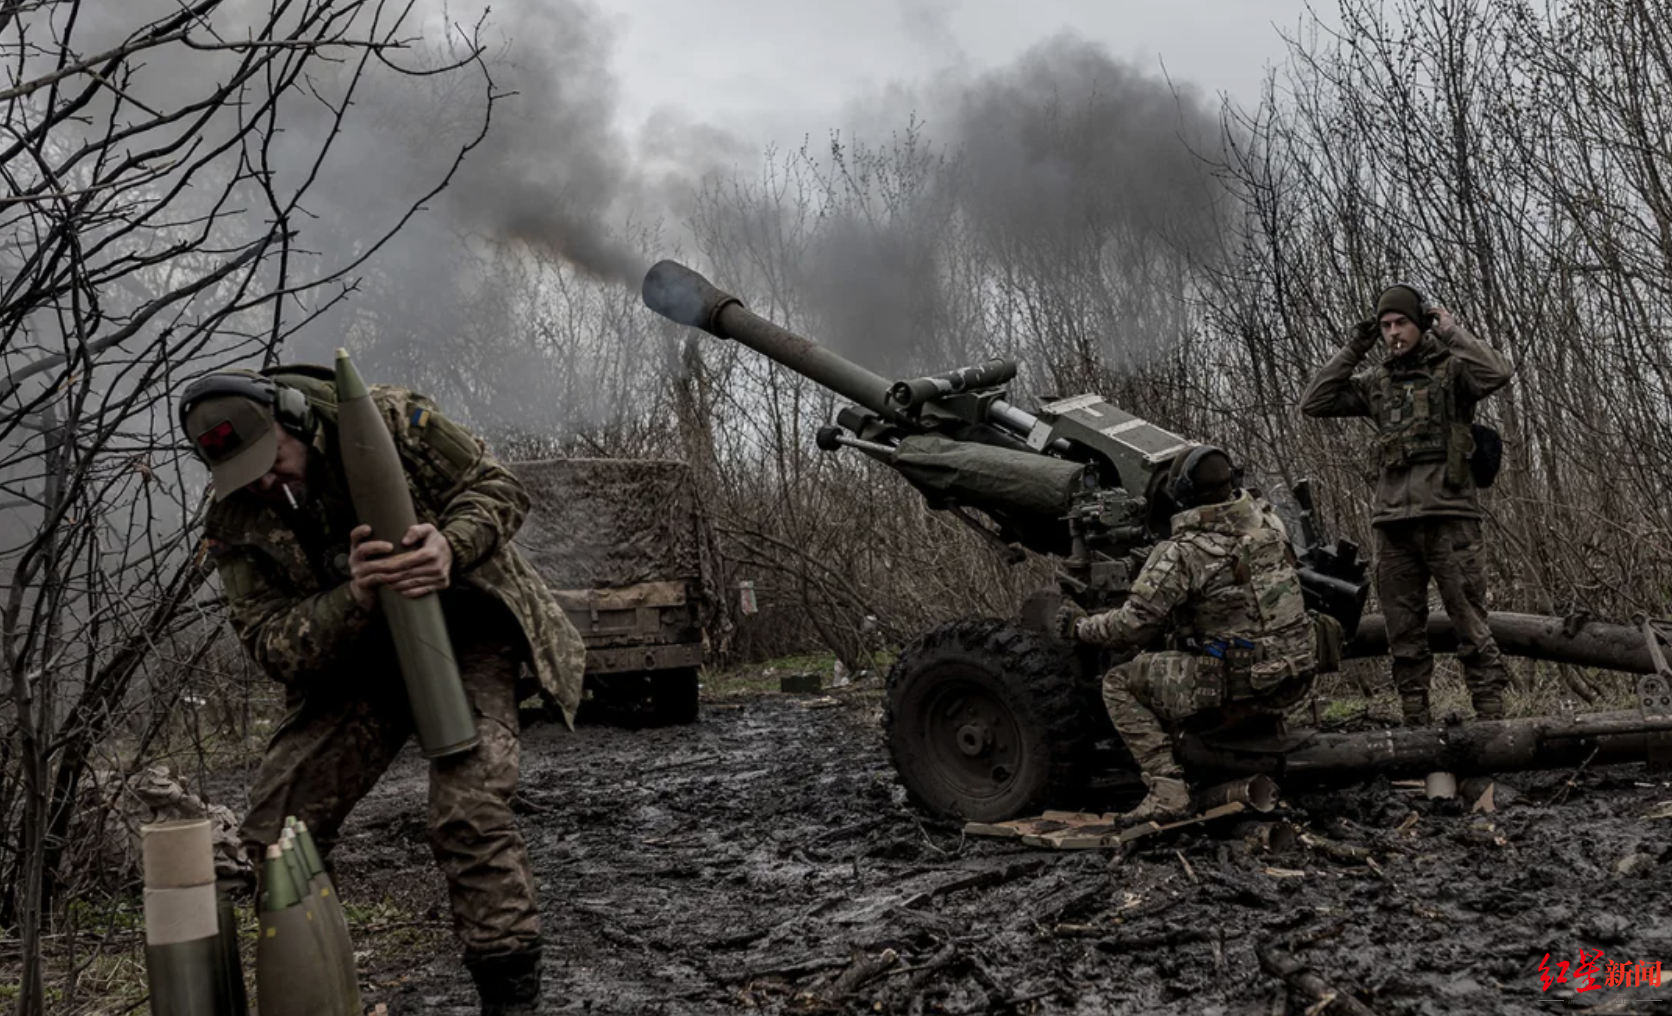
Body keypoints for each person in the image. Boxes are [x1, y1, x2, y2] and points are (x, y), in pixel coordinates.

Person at [178, 363, 587, 1015]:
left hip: (469, 632)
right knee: (276, 832)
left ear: (292, 417)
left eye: (271, 460)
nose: (264, 482)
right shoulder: (236, 517)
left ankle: (510, 1001)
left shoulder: (390, 422)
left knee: (468, 809)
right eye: (245, 474)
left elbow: (497, 487)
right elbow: (268, 640)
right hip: (358, 660)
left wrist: (448, 546)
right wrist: (353, 598)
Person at [1056, 446, 1319, 821]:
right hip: (1294, 678)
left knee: (1118, 683)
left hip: (1242, 689)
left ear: (1181, 495)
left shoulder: (1184, 552)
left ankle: (1167, 790)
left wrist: (1081, 628)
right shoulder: (1269, 524)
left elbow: (1132, 626)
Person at [1300, 284, 1513, 724]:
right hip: (1393, 523)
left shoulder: (1454, 372)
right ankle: (1416, 719)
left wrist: (1452, 332)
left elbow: (1498, 372)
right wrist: (1356, 345)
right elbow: (1314, 401)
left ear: (1420, 324)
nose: (1394, 333)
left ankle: (1492, 720)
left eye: (1402, 324)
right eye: (1386, 326)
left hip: (1450, 519)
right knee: (1403, 630)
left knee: (1470, 623)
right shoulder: (1377, 382)